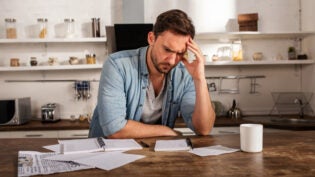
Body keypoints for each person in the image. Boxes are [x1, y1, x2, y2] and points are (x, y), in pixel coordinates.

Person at [89, 9, 215, 139]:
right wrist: (166, 131)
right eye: (167, 50)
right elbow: (114, 129)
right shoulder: (116, 65)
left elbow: (204, 129)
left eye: (180, 53)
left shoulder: (184, 73)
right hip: (108, 154)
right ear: (151, 38)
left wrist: (199, 78)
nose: (172, 61)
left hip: (155, 155)